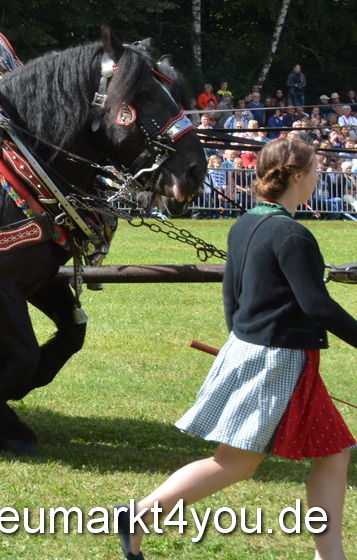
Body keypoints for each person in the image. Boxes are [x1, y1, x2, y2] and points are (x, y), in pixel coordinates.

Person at [119, 135, 356, 559]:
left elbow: (232, 297)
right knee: (235, 463)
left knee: (334, 452)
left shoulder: (245, 223)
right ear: (298, 176)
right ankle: (139, 516)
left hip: (261, 352)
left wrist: (243, 342)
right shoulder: (292, 235)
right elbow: (317, 305)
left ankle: (331, 555)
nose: (320, 175)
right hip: (278, 360)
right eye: (316, 169)